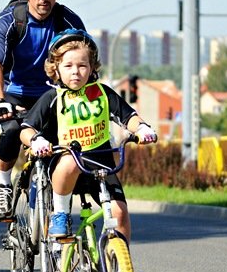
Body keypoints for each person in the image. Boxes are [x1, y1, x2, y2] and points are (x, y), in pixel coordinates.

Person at [19, 29, 157, 240]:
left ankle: (120, 265)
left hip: (101, 164)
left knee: (120, 214)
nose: (76, 71)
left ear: (92, 68)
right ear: (56, 69)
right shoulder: (52, 98)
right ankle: (61, 214)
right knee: (70, 163)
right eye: (68, 66)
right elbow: (27, 129)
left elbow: (128, 117)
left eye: (82, 65)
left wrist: (142, 128)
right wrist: (36, 140)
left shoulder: (103, 93)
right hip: (64, 166)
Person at [0, 0, 86, 218]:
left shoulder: (68, 22)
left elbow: (86, 61)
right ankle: (3, 184)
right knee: (11, 130)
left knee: (63, 142)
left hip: (53, 94)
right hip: (15, 92)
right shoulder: (9, 21)